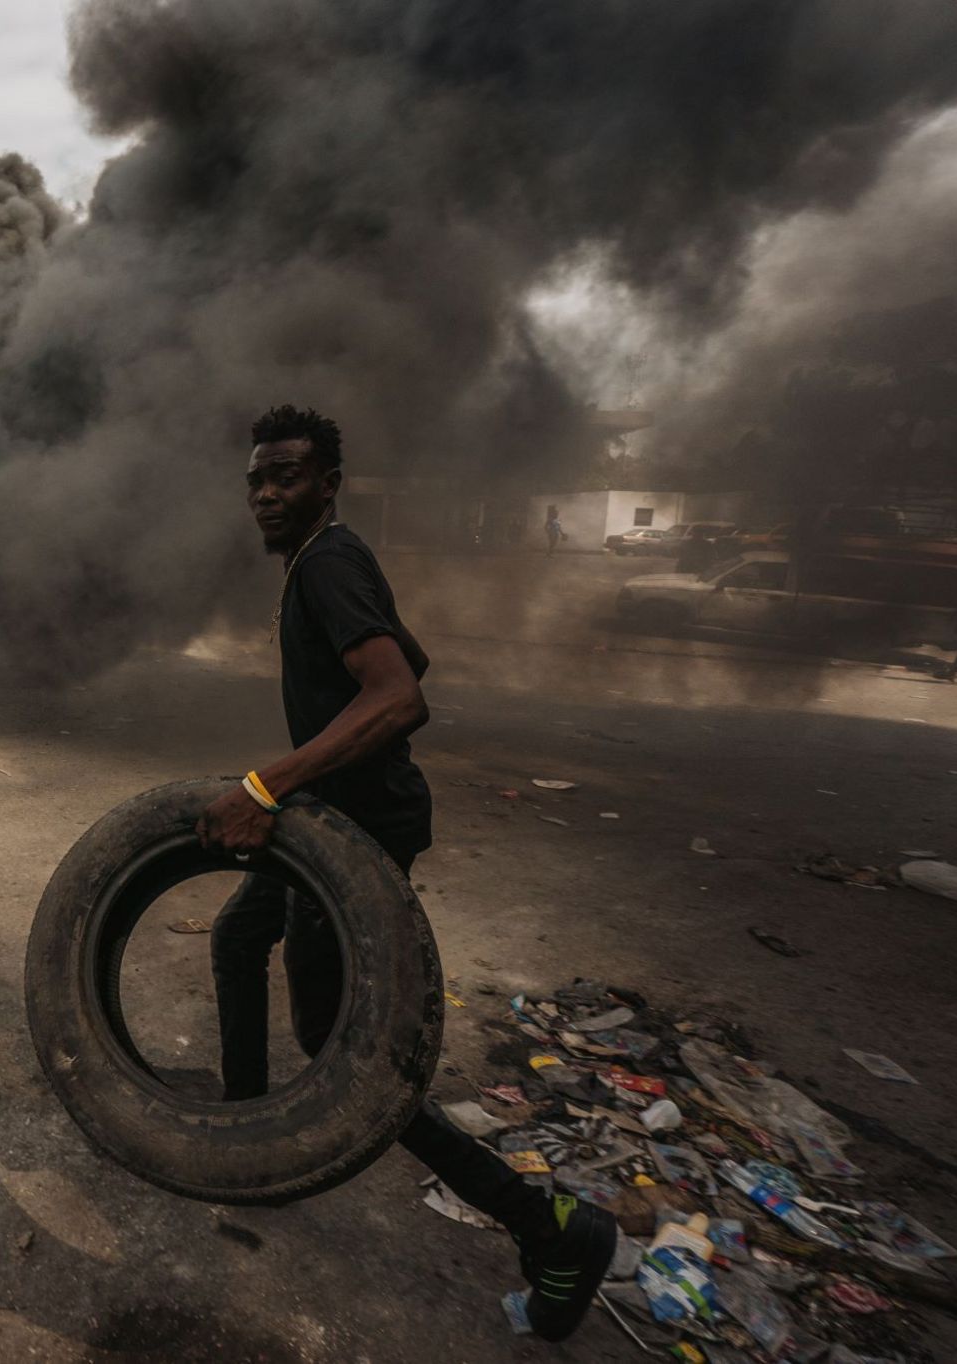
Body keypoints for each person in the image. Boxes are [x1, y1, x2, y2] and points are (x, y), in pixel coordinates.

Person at [196, 406, 616, 1343]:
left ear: (328, 483)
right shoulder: (322, 563)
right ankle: (245, 1140)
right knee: (235, 937)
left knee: (334, 1046)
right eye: (256, 479)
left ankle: (545, 1224)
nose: (266, 493)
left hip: (354, 829)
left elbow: (399, 695)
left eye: (288, 476)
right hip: (328, 818)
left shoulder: (331, 563)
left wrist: (266, 784)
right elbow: (400, 656)